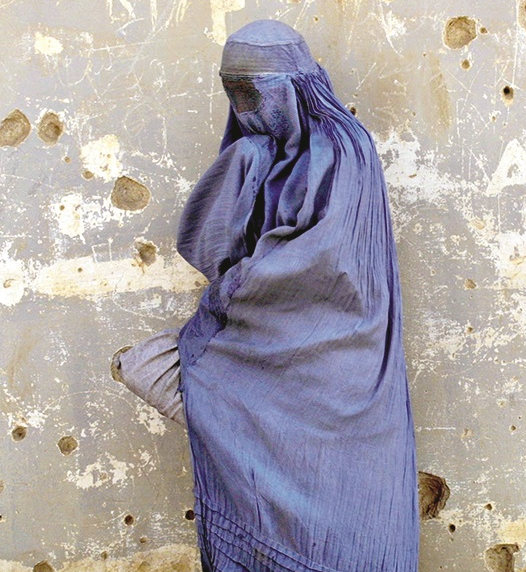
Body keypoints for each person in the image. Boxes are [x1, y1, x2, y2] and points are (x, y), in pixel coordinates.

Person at [110, 19, 420, 571]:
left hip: (340, 371)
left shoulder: (340, 152)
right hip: (272, 357)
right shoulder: (258, 154)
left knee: (347, 527)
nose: (244, 105)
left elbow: (317, 265)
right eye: (233, 92)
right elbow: (210, 241)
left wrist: (231, 294)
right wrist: (246, 165)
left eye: (253, 92)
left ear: (294, 85)